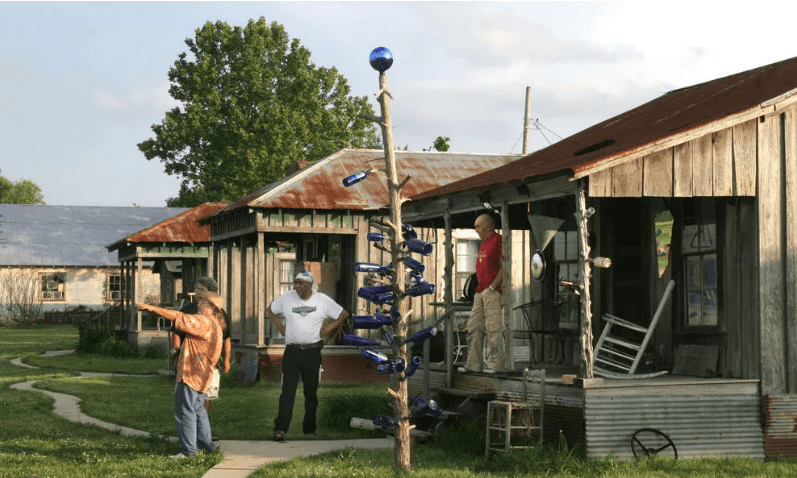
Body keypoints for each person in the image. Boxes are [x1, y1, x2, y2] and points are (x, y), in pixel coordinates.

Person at [138, 286, 226, 459]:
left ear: (211, 307)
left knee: (185, 412)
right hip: (203, 375)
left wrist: (151, 308)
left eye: (202, 302)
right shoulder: (216, 325)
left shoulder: (204, 322)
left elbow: (179, 317)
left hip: (191, 374)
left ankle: (188, 452)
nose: (199, 304)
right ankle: (207, 447)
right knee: (198, 410)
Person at [267, 270, 349, 441]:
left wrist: (330, 327)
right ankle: (280, 429)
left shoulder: (322, 300)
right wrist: (281, 328)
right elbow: (270, 310)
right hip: (292, 352)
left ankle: (309, 430)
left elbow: (343, 314)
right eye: (295, 282)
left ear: (310, 285)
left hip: (312, 352)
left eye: (300, 283)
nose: (296, 286)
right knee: (287, 391)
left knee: (311, 393)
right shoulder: (287, 298)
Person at [170, 277, 231, 437]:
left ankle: (204, 433)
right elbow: (176, 333)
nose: (198, 293)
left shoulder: (220, 313)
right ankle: (192, 433)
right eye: (197, 290)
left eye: (202, 290)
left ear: (211, 293)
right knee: (188, 400)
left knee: (207, 396)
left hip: (210, 363)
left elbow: (226, 338)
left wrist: (226, 361)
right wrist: (176, 353)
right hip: (189, 363)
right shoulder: (189, 309)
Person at [459, 213, 505, 374]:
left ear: (488, 226)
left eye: (478, 226)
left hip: (493, 291)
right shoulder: (484, 244)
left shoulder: (498, 240)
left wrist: (492, 287)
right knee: (473, 328)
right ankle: (473, 365)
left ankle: (496, 365)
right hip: (480, 291)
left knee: (493, 329)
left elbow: (505, 266)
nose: (476, 229)